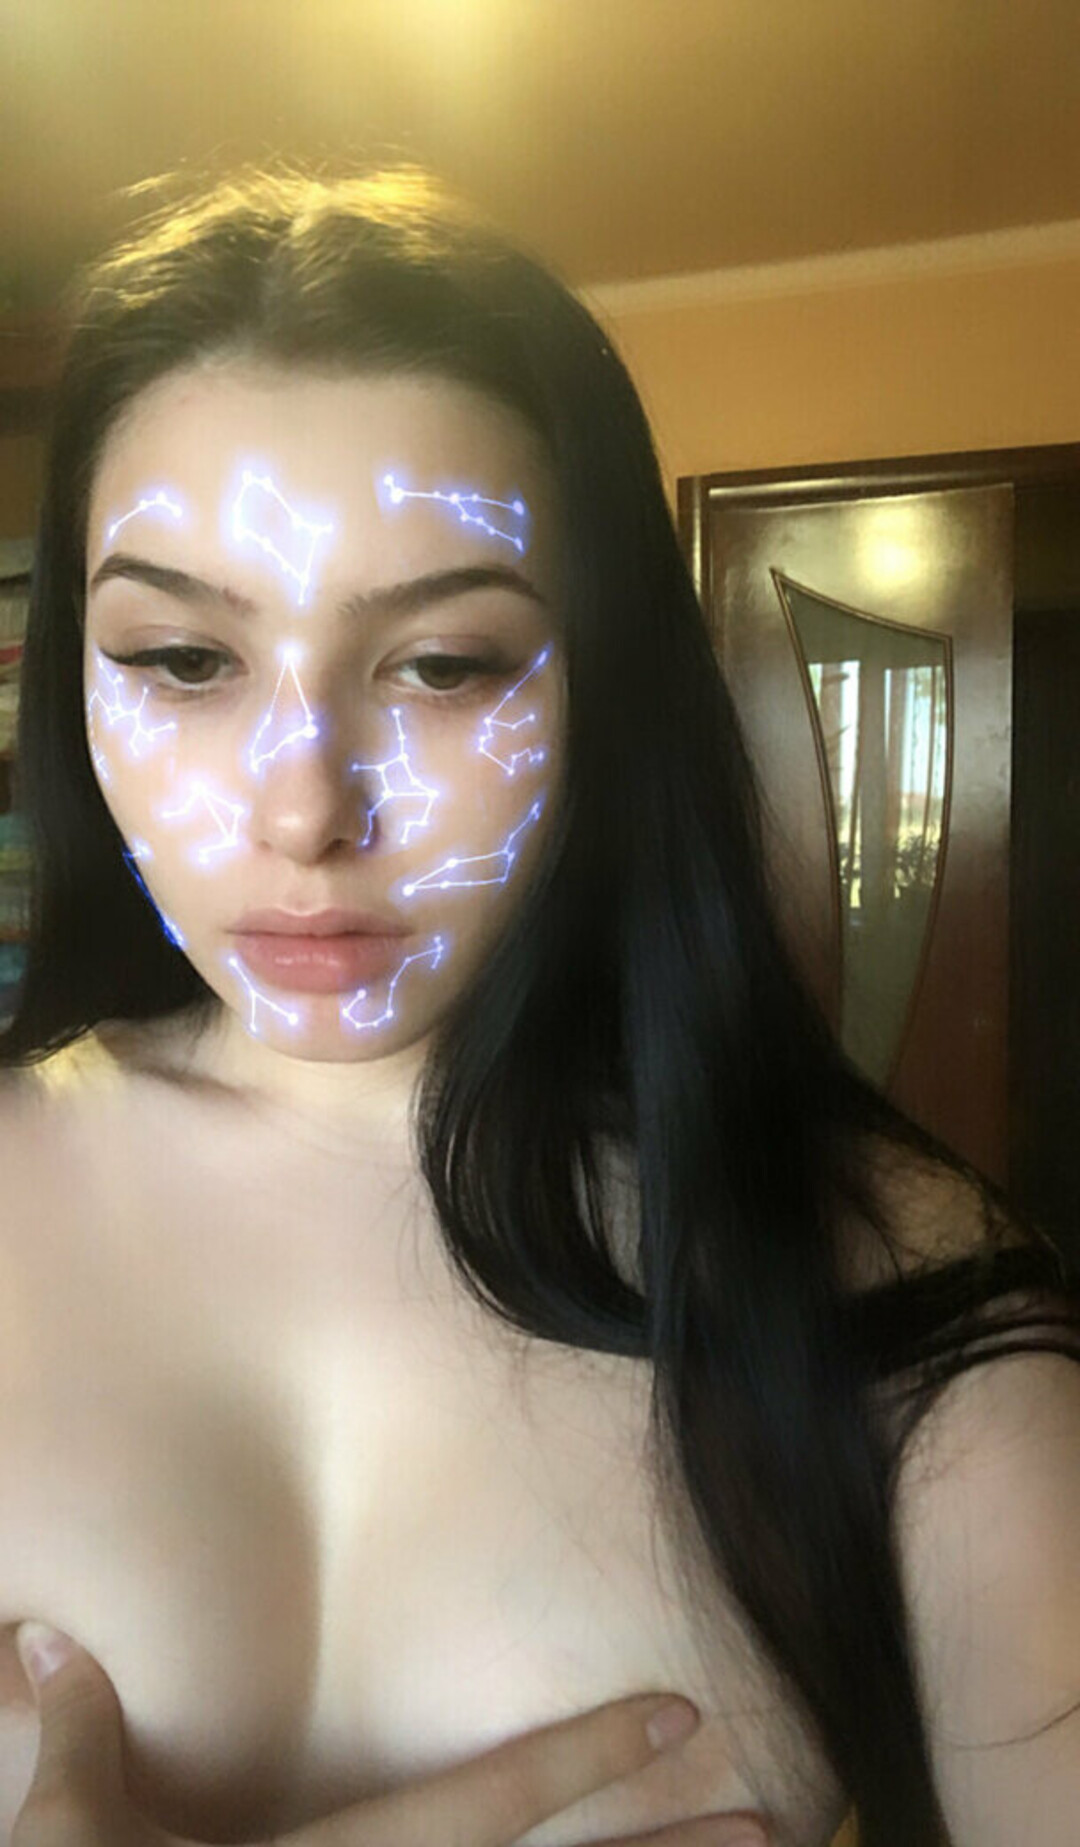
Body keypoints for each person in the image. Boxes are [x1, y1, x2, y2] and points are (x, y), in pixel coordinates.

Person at [0, 160, 1077, 1847]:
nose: (304, 811)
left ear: (606, 687)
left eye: (445, 664)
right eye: (184, 662)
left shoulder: (897, 1310)